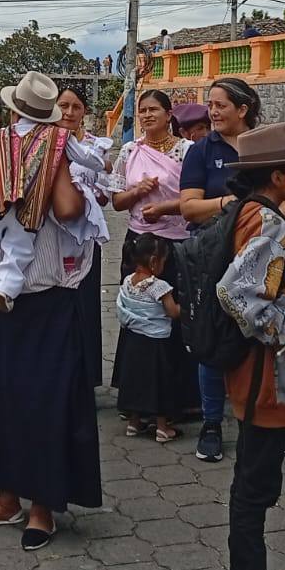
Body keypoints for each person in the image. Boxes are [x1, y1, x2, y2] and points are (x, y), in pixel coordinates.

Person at [0, 75, 105, 554]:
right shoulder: (3, 153)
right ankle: (5, 497)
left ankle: (43, 505)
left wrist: (51, 159)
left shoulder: (66, 158)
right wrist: (5, 164)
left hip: (49, 303)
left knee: (43, 404)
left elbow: (68, 208)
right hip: (1, 303)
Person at [217, 122, 285, 570]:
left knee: (251, 479)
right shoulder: (271, 222)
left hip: (251, 368)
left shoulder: (244, 210)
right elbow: (235, 292)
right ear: (277, 176)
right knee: (255, 486)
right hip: (266, 371)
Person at [179, 76, 261, 463]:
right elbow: (188, 207)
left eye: (220, 105)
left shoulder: (263, 145)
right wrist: (229, 204)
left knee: (256, 338)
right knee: (213, 341)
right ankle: (211, 423)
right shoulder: (201, 151)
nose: (212, 112)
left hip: (259, 254)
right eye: (210, 105)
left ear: (243, 109)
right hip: (213, 256)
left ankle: (256, 421)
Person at [108, 88, 196, 416]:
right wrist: (137, 192)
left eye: (153, 109)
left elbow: (195, 198)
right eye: (142, 110)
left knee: (173, 317)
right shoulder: (130, 150)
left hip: (175, 244)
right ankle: (135, 398)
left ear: (169, 114)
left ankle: (178, 399)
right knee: (140, 317)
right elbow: (117, 202)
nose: (146, 115)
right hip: (139, 247)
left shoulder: (186, 151)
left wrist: (164, 208)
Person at [0, 72, 78, 313]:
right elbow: (68, 209)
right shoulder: (54, 148)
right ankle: (7, 289)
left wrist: (4, 163)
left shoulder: (0, 142)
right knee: (18, 249)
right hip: (41, 285)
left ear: (12, 114)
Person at [58, 83, 113, 390]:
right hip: (50, 237)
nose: (68, 112)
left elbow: (106, 193)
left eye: (75, 107)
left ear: (84, 112)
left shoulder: (96, 147)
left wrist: (89, 194)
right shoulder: (45, 141)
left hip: (85, 237)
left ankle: (85, 376)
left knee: (85, 304)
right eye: (63, 106)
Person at [115, 233, 183, 442]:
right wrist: (187, 307)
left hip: (134, 340)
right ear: (154, 261)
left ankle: (134, 423)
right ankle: (162, 427)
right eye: (163, 261)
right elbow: (172, 312)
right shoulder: (159, 286)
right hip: (156, 344)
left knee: (136, 379)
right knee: (159, 381)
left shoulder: (128, 281)